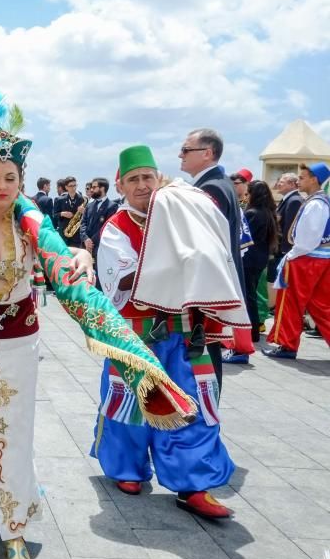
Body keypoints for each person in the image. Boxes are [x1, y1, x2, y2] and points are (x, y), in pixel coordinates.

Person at [0, 92, 195, 559]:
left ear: (21, 180)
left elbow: (62, 260)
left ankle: (14, 524)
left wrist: (82, 259)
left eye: (11, 177)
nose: (3, 185)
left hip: (18, 345)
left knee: (12, 430)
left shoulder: (32, 228)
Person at [92, 145, 237, 519]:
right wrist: (171, 262)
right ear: (120, 185)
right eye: (134, 179)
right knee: (133, 402)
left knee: (194, 405)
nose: (142, 185)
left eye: (148, 177)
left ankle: (194, 484)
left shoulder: (182, 216)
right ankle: (128, 469)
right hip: (139, 334)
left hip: (189, 332)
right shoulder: (116, 227)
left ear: (159, 180)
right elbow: (120, 277)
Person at [177, 128, 243, 391]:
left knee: (204, 359)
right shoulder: (219, 184)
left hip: (205, 291)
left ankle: (206, 416)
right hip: (212, 287)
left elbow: (199, 244)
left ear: (207, 153)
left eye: (186, 149)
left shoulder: (210, 189)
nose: (180, 155)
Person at [264, 162, 330, 358]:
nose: (298, 181)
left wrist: (292, 255)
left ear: (314, 179)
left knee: (290, 303)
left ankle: (286, 344)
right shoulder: (322, 201)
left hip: (306, 259)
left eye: (302, 178)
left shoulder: (315, 203)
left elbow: (308, 238)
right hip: (321, 258)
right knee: (321, 305)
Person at [242, 180, 278, 343]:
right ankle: (253, 330)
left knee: (248, 296)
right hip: (261, 258)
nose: (246, 196)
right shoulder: (268, 212)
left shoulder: (253, 213)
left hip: (249, 258)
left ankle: (251, 331)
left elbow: (243, 238)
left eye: (247, 193)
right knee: (252, 294)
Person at [79, 176, 118, 268]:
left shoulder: (112, 206)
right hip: (85, 247)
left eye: (94, 187)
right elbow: (83, 223)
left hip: (100, 248)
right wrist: (85, 238)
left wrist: (91, 241)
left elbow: (106, 227)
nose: (91, 190)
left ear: (102, 188)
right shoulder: (89, 206)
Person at [54, 175, 84, 246]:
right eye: (71, 186)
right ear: (66, 187)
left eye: (75, 185)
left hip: (76, 233)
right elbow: (54, 215)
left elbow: (86, 217)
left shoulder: (82, 199)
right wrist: (62, 213)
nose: (73, 188)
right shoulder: (59, 199)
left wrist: (84, 211)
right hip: (63, 232)